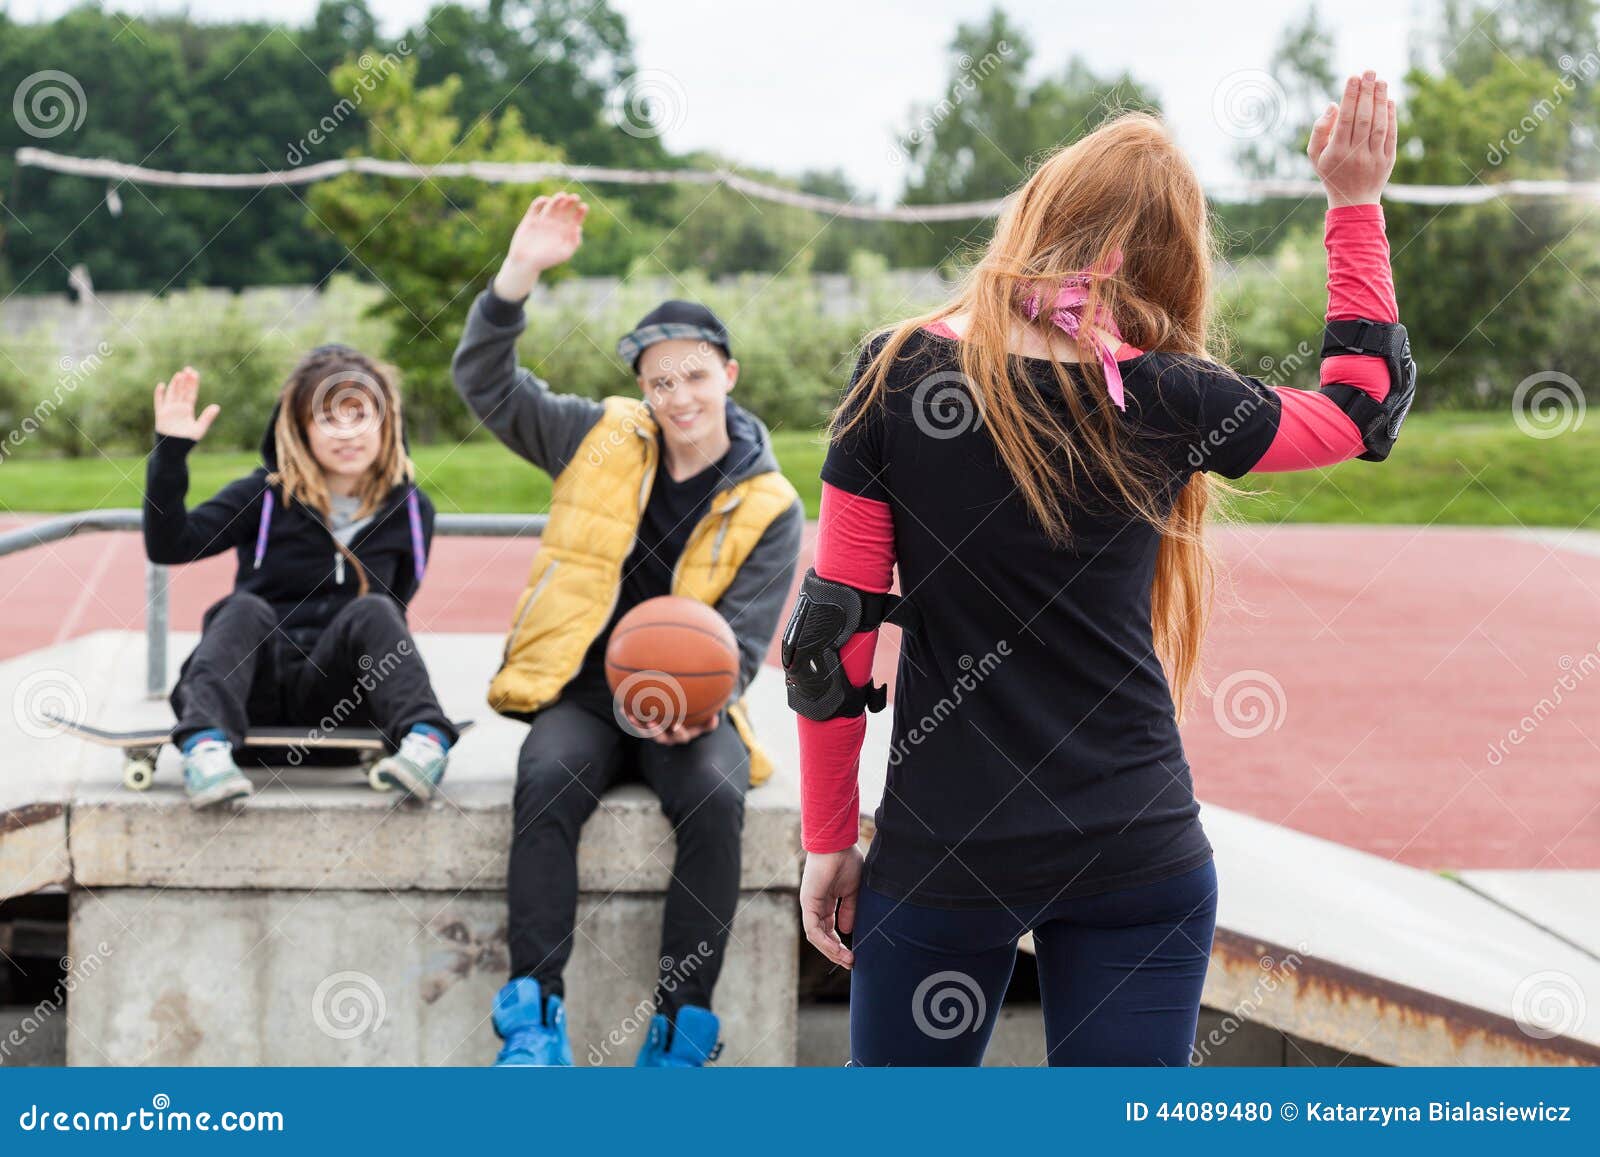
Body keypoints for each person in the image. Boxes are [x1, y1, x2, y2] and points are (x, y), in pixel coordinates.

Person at [788, 72, 1411, 1065]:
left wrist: (828, 838)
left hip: (946, 852)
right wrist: (1352, 202)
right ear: (1166, 264)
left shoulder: (897, 369)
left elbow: (829, 638)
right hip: (1136, 847)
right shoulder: (1171, 394)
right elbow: (1362, 406)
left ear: (1038, 211)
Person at [452, 192, 804, 1067]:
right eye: (658, 379)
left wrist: (698, 702)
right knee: (545, 778)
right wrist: (518, 275)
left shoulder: (771, 503)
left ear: (728, 372)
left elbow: (745, 641)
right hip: (582, 690)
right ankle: (534, 1022)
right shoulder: (599, 436)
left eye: (692, 374)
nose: (676, 394)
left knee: (719, 800)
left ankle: (679, 1035)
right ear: (642, 387)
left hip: (687, 703)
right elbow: (486, 384)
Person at [143, 346, 458, 808]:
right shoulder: (265, 496)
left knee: (376, 609)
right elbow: (169, 546)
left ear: (387, 424)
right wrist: (170, 453)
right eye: (330, 419)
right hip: (251, 703)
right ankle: (205, 750)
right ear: (300, 429)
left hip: (344, 709)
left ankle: (425, 743)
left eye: (361, 416)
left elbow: (399, 604)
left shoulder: (411, 511)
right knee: (242, 607)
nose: (348, 434)